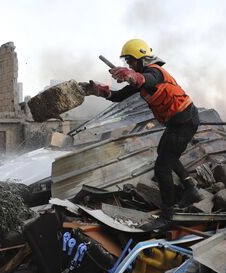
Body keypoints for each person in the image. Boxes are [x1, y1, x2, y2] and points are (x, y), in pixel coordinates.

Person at [81, 38, 202, 222]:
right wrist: (101, 91)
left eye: (130, 61)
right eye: (127, 62)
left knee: (162, 168)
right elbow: (119, 96)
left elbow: (147, 79)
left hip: (185, 121)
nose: (129, 64)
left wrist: (131, 75)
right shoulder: (140, 79)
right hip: (177, 122)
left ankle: (168, 214)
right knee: (166, 154)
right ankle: (190, 189)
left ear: (141, 58)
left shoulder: (156, 71)